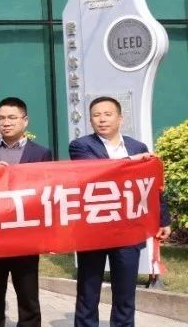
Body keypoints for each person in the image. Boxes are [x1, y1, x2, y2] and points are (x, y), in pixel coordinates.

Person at [69, 96, 170, 327]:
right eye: (96, 115)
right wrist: (131, 161)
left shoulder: (138, 147)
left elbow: (151, 186)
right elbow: (98, 172)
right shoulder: (80, 146)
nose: (102, 119)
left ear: (120, 118)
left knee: (125, 293)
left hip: (128, 231)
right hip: (93, 230)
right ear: (90, 120)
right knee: (88, 292)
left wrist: (163, 219)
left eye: (108, 114)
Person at [0, 97, 52, 327]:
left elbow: (47, 190)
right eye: (1, 118)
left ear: (25, 121)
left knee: (28, 294)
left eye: (12, 118)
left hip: (25, 235)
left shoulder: (40, 153)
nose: (6, 123)